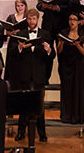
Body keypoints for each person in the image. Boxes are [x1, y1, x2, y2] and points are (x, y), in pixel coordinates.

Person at [12, 8, 55, 142]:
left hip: (39, 75)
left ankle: (41, 133)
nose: (31, 21)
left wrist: (49, 50)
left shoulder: (46, 34)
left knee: (39, 105)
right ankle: (21, 132)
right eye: (29, 19)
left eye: (34, 19)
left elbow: (52, 56)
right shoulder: (21, 34)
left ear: (38, 19)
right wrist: (20, 48)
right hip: (24, 75)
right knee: (23, 104)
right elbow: (13, 55)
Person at [36, 0, 73, 82]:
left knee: (62, 54)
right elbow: (38, 5)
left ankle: (64, 80)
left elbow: (70, 7)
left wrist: (58, 8)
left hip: (61, 26)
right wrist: (44, 6)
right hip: (48, 26)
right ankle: (45, 79)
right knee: (46, 52)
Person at [57, 13, 84, 124]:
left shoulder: (82, 34)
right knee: (67, 90)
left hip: (79, 64)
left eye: (75, 19)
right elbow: (59, 51)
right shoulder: (63, 33)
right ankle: (66, 116)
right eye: (70, 19)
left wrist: (77, 45)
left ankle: (78, 117)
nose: (72, 21)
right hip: (66, 64)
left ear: (79, 22)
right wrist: (60, 43)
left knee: (78, 89)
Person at [4, 0, 28, 80]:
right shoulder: (11, 17)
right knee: (12, 67)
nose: (20, 7)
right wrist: (12, 32)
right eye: (18, 5)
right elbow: (7, 32)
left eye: (22, 5)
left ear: (25, 6)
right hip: (13, 44)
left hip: (24, 44)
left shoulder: (28, 18)